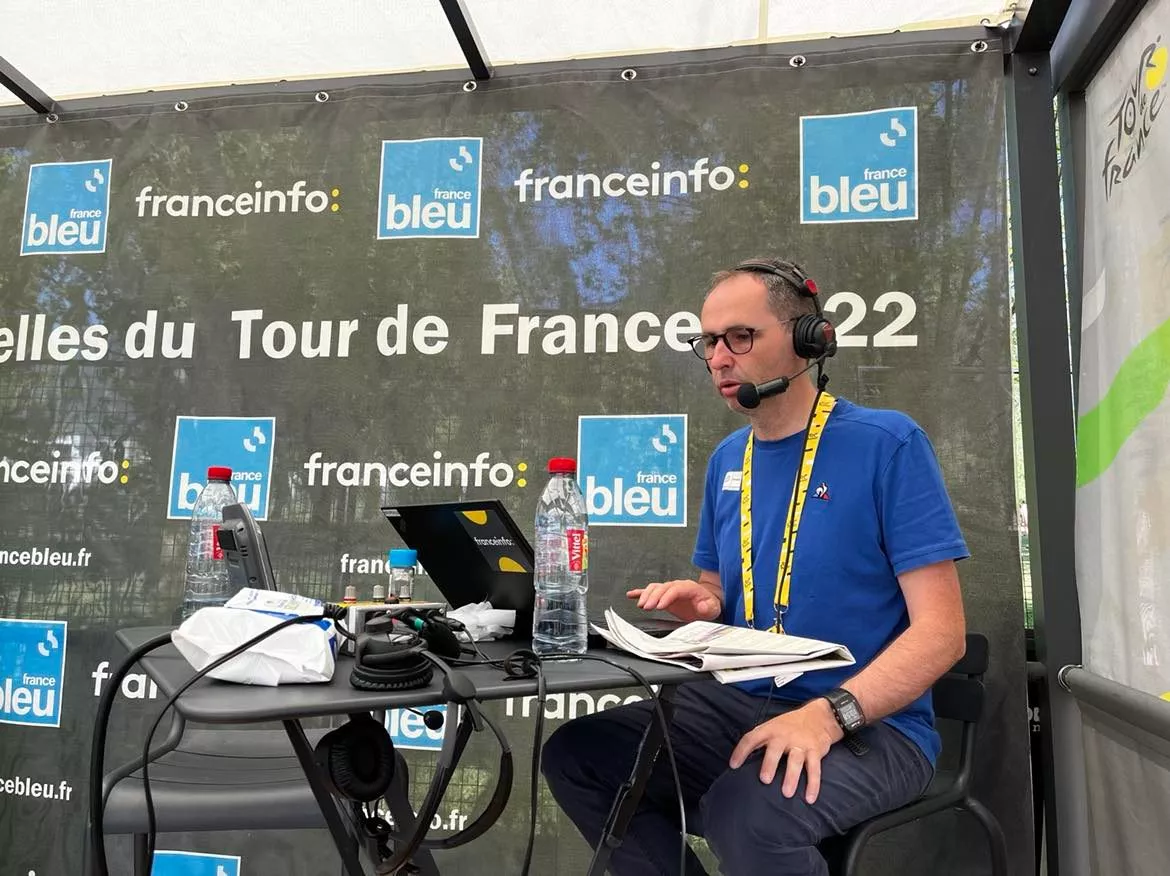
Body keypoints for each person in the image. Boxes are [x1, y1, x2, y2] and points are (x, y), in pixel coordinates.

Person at [541, 257, 969, 875]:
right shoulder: (727, 459)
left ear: (807, 340)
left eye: (739, 337)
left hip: (869, 723)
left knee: (747, 815)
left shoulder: (888, 444)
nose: (718, 358)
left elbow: (942, 633)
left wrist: (829, 717)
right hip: (738, 703)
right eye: (708, 342)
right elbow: (717, 590)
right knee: (579, 755)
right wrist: (705, 603)